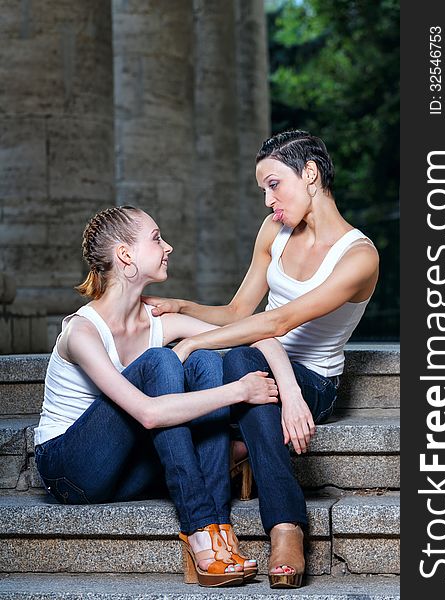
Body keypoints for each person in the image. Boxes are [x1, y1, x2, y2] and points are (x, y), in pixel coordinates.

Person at [143, 130, 380, 589]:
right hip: (258, 366)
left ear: (310, 174)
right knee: (239, 363)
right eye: (263, 190)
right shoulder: (275, 229)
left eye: (274, 184)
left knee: (235, 361)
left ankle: (284, 525)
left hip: (313, 382)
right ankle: (249, 458)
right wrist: (184, 307)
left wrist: (193, 342)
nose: (268, 200)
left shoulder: (359, 257)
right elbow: (237, 312)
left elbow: (279, 322)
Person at [33, 205, 296, 588]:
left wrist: (289, 392)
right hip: (70, 469)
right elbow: (149, 414)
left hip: (126, 466)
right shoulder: (82, 332)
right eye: (156, 238)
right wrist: (240, 390)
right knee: (160, 362)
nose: (168, 246)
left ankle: (218, 530)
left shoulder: (158, 321)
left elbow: (257, 334)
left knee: (203, 357)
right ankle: (200, 527)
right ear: (125, 255)